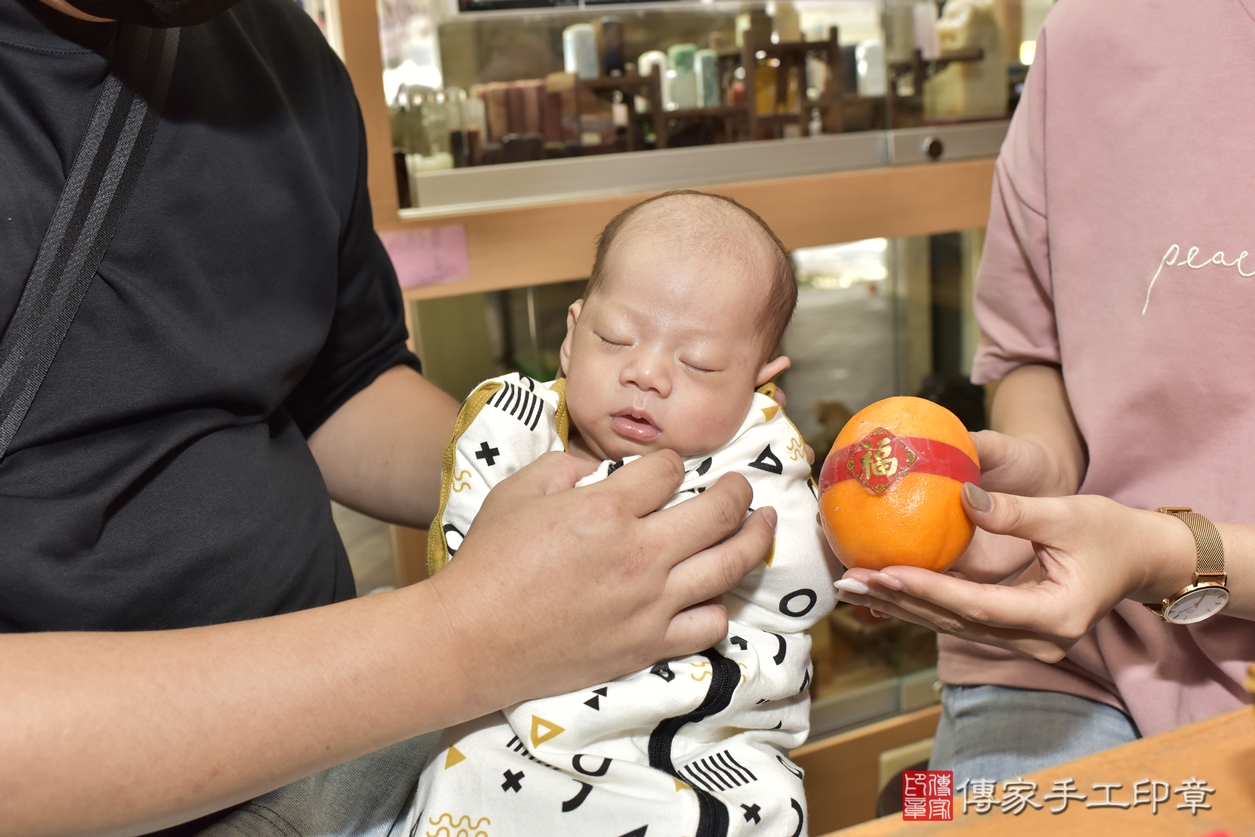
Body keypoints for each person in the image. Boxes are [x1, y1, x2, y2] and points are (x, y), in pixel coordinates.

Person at [0, 3, 777, 836]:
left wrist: (561, 486)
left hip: (360, 737)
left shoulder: (279, 52)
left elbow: (340, 380)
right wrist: (466, 634)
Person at [209, 191, 834, 837]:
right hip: (502, 722)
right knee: (455, 778)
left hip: (690, 745)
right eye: (614, 337)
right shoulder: (516, 430)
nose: (645, 372)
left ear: (760, 381)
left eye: (698, 363)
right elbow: (470, 563)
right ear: (570, 336)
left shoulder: (757, 460)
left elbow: (804, 581)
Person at [834, 0, 1255, 789]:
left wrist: (1156, 556)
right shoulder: (1089, 33)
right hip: (1062, 660)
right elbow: (1029, 353)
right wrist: (1043, 472)